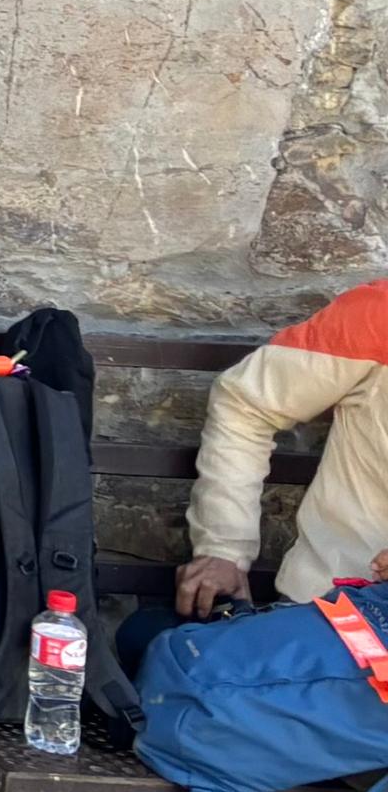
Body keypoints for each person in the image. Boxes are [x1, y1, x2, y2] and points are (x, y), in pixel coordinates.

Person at [123, 281, 388, 678]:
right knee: (146, 640)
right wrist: (223, 546)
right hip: (332, 633)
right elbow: (246, 404)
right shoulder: (380, 312)